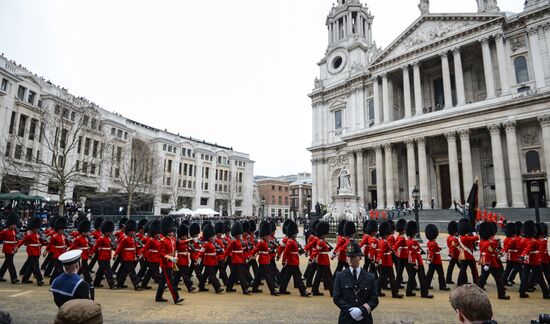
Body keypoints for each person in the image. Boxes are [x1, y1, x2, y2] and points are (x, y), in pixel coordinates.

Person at [333, 241, 379, 324]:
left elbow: (374, 299)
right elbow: (336, 297)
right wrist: (351, 310)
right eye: (348, 256)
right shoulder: (340, 276)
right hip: (346, 318)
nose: (350, 259)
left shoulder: (370, 277)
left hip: (364, 319)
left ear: (360, 257)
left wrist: (362, 310)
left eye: (353, 256)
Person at [157, 217, 184, 304]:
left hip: (171, 262)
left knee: (163, 280)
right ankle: (176, 298)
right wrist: (170, 258)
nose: (172, 232)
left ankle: (158, 297)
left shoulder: (172, 240)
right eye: (171, 231)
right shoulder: (163, 241)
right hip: (165, 263)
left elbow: (175, 249)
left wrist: (174, 257)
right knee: (170, 281)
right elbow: (161, 254)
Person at [250, 221, 279, 295]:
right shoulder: (261, 242)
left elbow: (267, 250)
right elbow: (255, 249)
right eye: (267, 235)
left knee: (258, 276)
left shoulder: (266, 242)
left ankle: (254, 288)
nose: (269, 236)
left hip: (266, 259)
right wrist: (250, 255)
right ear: (264, 235)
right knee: (268, 276)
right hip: (263, 260)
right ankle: (272, 290)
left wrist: (273, 250)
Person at [16, 217, 46, 286]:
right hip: (32, 252)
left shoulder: (38, 235)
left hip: (37, 252)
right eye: (35, 228)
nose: (36, 229)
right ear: (32, 228)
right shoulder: (29, 235)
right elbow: (22, 241)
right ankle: (39, 280)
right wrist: (17, 247)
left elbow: (41, 243)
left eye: (37, 228)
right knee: (36, 266)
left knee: (31, 266)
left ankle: (25, 279)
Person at [197, 223, 223, 293]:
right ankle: (217, 288)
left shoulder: (212, 243)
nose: (213, 238)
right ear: (208, 237)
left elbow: (214, 251)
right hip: (208, 261)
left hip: (213, 261)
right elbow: (201, 253)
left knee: (205, 274)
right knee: (212, 275)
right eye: (212, 237)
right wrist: (197, 261)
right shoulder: (205, 244)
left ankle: (201, 286)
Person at [424, 224, 449, 291]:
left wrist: (439, 248)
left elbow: (433, 249)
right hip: (436, 261)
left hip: (432, 261)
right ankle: (442, 286)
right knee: (441, 274)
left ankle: (426, 284)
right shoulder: (434, 243)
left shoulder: (429, 242)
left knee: (430, 273)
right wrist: (430, 259)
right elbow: (432, 252)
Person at [311, 221, 333, 296]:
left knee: (318, 276)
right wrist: (312, 258)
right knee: (329, 277)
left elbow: (321, 250)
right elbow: (316, 250)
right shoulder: (320, 242)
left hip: (322, 259)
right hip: (324, 260)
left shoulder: (322, 241)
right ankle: (333, 292)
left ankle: (314, 290)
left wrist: (328, 249)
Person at [0, 214, 20, 284]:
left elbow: (15, 240)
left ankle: (0, 275)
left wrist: (16, 247)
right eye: (13, 225)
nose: (14, 226)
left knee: (6, 263)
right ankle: (13, 278)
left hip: (12, 249)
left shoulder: (14, 231)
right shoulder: (5, 231)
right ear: (10, 225)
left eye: (15, 225)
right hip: (7, 249)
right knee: (10, 264)